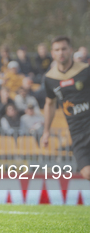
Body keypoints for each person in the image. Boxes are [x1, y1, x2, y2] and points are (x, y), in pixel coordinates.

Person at [41, 36, 90, 181]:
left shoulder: (85, 70)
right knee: (87, 172)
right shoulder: (49, 78)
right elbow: (50, 104)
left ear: (70, 50)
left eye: (64, 48)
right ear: (52, 53)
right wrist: (46, 132)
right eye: (57, 50)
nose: (61, 52)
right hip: (77, 133)